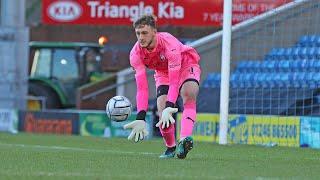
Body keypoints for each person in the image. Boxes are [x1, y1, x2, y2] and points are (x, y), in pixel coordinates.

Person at [123, 15, 201, 159]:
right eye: (138, 33)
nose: (141, 37)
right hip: (162, 73)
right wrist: (141, 117)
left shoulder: (169, 44)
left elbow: (174, 81)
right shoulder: (135, 54)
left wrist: (170, 106)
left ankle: (184, 139)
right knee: (161, 109)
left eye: (144, 33)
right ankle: (170, 148)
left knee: (188, 93)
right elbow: (142, 88)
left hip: (185, 65)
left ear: (154, 32)